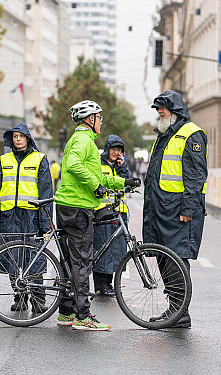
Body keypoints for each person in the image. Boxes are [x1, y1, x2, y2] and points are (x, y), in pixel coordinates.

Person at [54, 100, 140, 331]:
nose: (101, 121)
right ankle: (83, 316)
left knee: (71, 261)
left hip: (68, 204)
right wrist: (95, 187)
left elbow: (98, 176)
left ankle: (66, 312)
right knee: (83, 261)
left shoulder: (82, 140)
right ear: (90, 119)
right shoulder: (83, 140)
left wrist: (124, 181)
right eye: (99, 117)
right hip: (77, 206)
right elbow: (73, 166)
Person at [143, 90, 208, 329]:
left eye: (163, 108)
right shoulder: (165, 135)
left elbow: (195, 176)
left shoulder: (190, 135)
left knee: (177, 259)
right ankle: (175, 309)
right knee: (165, 258)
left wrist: (189, 209)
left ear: (176, 110)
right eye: (158, 108)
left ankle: (181, 313)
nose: (159, 111)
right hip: (162, 209)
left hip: (178, 211)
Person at [0, 123, 53, 313]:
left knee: (34, 259)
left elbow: (46, 192)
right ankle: (19, 297)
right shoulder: (4, 160)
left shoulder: (40, 159)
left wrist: (46, 223)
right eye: (15, 136)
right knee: (12, 260)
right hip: (9, 216)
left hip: (32, 217)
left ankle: (38, 300)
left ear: (28, 138)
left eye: (21, 136)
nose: (18, 139)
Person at [93, 135, 132, 297]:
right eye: (113, 149)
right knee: (102, 249)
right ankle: (100, 285)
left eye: (119, 150)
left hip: (119, 213)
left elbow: (128, 185)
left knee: (117, 250)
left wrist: (122, 168)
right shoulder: (98, 164)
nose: (116, 153)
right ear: (107, 149)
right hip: (102, 213)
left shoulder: (121, 167)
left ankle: (110, 284)